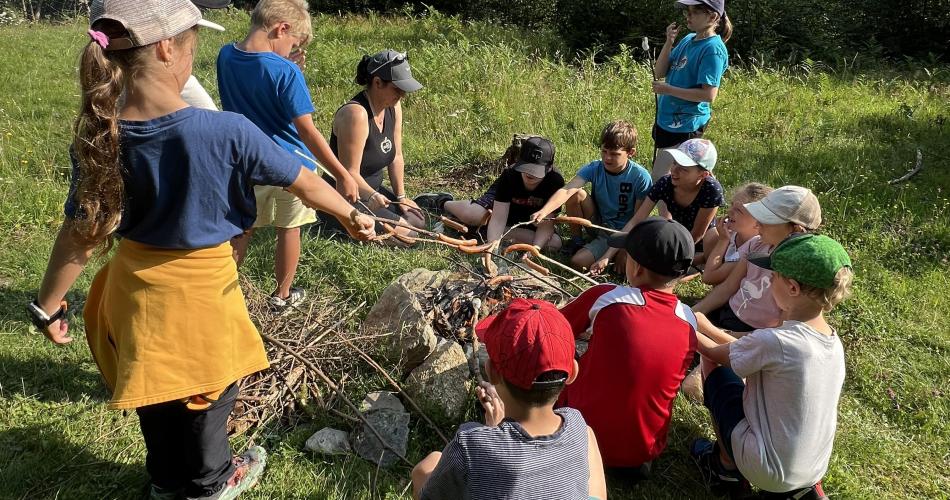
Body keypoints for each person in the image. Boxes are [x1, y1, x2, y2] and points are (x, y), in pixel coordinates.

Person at [28, 2, 374, 498]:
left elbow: (80, 235)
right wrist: (350, 213)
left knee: (155, 390)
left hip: (135, 296)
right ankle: (211, 483)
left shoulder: (102, 135)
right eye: (191, 46)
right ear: (168, 48)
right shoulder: (227, 130)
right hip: (202, 299)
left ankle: (167, 481)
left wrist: (47, 305)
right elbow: (304, 183)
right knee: (207, 396)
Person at [217, 0, 360, 310]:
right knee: (289, 228)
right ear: (281, 28)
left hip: (244, 162)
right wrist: (343, 174)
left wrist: (287, 64)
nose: (291, 49)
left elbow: (251, 92)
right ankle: (282, 296)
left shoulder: (225, 55)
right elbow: (307, 131)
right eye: (292, 42)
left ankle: (219, 295)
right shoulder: (285, 71)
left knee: (242, 229)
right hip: (290, 165)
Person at [691, 233, 852, 499]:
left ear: (792, 288)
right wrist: (708, 326)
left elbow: (713, 352)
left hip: (767, 469)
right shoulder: (831, 341)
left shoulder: (775, 341)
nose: (768, 280)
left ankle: (725, 467)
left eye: (773, 275)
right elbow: (749, 347)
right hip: (812, 469)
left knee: (714, 368)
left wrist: (682, 319)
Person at [411, 299, 608, 500]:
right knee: (588, 436)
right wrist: (498, 430)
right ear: (572, 373)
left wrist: (491, 435)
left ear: (491, 372)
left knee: (427, 466)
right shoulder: (577, 426)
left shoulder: (470, 445)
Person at [557, 217, 697, 481]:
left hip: (582, 438)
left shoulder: (609, 296)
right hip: (643, 451)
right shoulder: (688, 319)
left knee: (566, 355)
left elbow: (554, 329)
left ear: (638, 268)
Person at [325, 49, 426, 240]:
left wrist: (401, 197)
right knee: (409, 236)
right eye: (397, 89)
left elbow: (396, 156)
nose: (402, 95)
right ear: (378, 82)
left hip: (375, 192)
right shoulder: (356, 114)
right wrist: (371, 195)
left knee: (418, 221)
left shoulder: (393, 107)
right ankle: (334, 223)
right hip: (347, 196)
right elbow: (349, 173)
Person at [693, 185, 821, 333]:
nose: (758, 223)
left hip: (755, 330)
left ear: (795, 229)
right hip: (731, 311)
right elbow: (728, 287)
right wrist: (691, 313)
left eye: (768, 219)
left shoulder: (798, 269)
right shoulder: (756, 243)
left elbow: (780, 331)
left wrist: (721, 335)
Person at [530, 121, 652, 272]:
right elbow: (568, 190)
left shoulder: (640, 177)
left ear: (631, 153)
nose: (607, 158)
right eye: (604, 151)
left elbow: (638, 220)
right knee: (576, 193)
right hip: (597, 223)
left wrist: (624, 248)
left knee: (577, 262)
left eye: (615, 154)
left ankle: (611, 255)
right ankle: (577, 242)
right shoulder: (595, 167)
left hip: (621, 232)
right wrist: (545, 211)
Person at [594, 138, 723, 273]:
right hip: (674, 235)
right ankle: (688, 265)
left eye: (684, 169)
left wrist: (669, 258)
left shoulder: (711, 189)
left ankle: (701, 261)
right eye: (674, 163)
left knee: (711, 237)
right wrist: (607, 256)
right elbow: (637, 220)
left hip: (697, 241)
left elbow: (697, 234)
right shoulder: (665, 183)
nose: (674, 171)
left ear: (703, 174)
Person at [651, 0, 731, 177]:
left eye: (695, 12)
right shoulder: (688, 40)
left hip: (686, 123)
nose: (688, 16)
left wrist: (669, 90)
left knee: (662, 180)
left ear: (712, 16)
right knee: (679, 179)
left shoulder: (713, 49)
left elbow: (709, 95)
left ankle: (710, 198)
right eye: (687, 11)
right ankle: (708, 198)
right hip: (667, 119)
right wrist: (668, 43)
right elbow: (660, 71)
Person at [483, 136, 565, 250]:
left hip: (532, 227)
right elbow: (498, 218)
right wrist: (492, 245)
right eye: (526, 167)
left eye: (537, 171)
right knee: (478, 218)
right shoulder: (510, 175)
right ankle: (493, 233)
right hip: (508, 220)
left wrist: (534, 250)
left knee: (555, 243)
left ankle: (489, 230)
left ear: (549, 168)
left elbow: (546, 225)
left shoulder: (555, 181)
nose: (530, 174)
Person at [701, 182, 773, 285]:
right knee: (712, 234)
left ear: (758, 221)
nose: (729, 211)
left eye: (738, 210)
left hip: (740, 296)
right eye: (731, 205)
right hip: (719, 275)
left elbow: (708, 278)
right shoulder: (733, 233)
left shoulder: (755, 248)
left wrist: (723, 240)